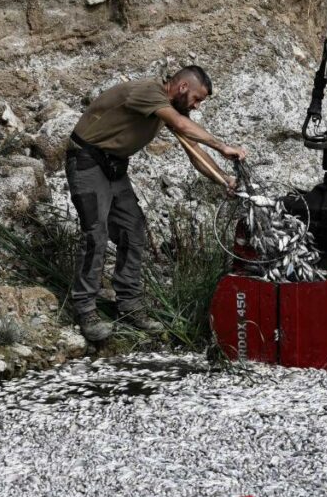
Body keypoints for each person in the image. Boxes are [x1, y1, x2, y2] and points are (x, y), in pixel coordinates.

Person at [65, 65, 248, 343]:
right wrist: (223, 147)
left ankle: (129, 306)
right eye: (197, 99)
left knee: (133, 230)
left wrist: (222, 179)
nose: (196, 106)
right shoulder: (149, 91)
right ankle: (85, 311)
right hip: (88, 162)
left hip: (115, 167)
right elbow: (183, 125)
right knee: (96, 235)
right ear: (183, 87)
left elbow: (193, 150)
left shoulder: (169, 108)